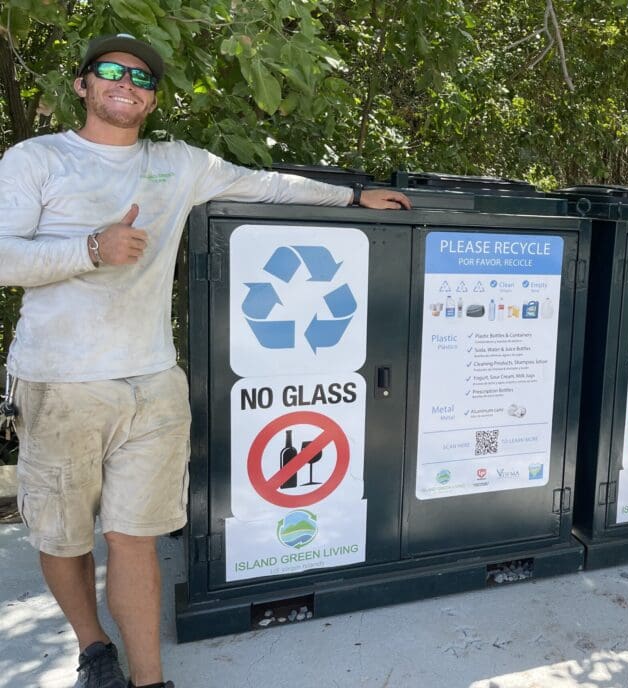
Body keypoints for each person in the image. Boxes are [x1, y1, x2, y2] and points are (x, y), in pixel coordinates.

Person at [0, 34, 411, 688]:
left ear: (153, 97)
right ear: (82, 85)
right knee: (63, 535)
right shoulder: (38, 159)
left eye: (140, 78)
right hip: (58, 381)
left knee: (134, 536)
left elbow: (268, 185)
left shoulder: (178, 163)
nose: (125, 84)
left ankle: (150, 680)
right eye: (110, 72)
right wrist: (91, 248)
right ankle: (94, 649)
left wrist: (353, 198)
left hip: (153, 383)